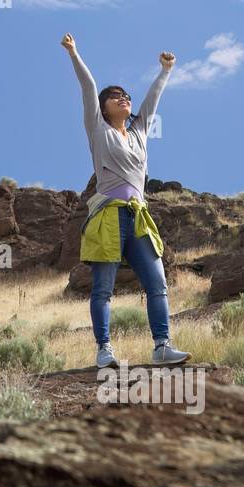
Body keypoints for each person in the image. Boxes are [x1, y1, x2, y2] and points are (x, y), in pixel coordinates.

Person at [61, 32, 191, 369]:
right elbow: (88, 88)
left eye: (126, 96)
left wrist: (166, 70)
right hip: (107, 215)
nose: (123, 99)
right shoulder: (98, 130)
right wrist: (75, 53)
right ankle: (104, 350)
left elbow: (152, 102)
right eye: (115, 96)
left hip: (139, 215)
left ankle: (162, 346)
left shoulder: (139, 132)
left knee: (157, 283)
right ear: (103, 107)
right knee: (103, 287)